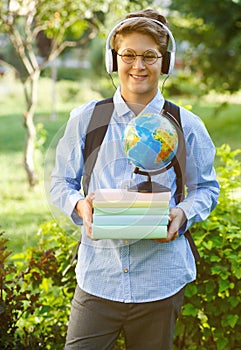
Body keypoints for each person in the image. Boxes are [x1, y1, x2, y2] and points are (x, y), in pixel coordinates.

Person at [50, 8, 220, 350]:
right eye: (128, 54)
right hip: (99, 279)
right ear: (114, 60)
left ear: (165, 63)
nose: (138, 66)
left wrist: (183, 214)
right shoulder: (86, 119)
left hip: (160, 281)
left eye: (149, 56)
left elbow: (206, 188)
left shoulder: (186, 125)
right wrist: (79, 205)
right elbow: (60, 182)